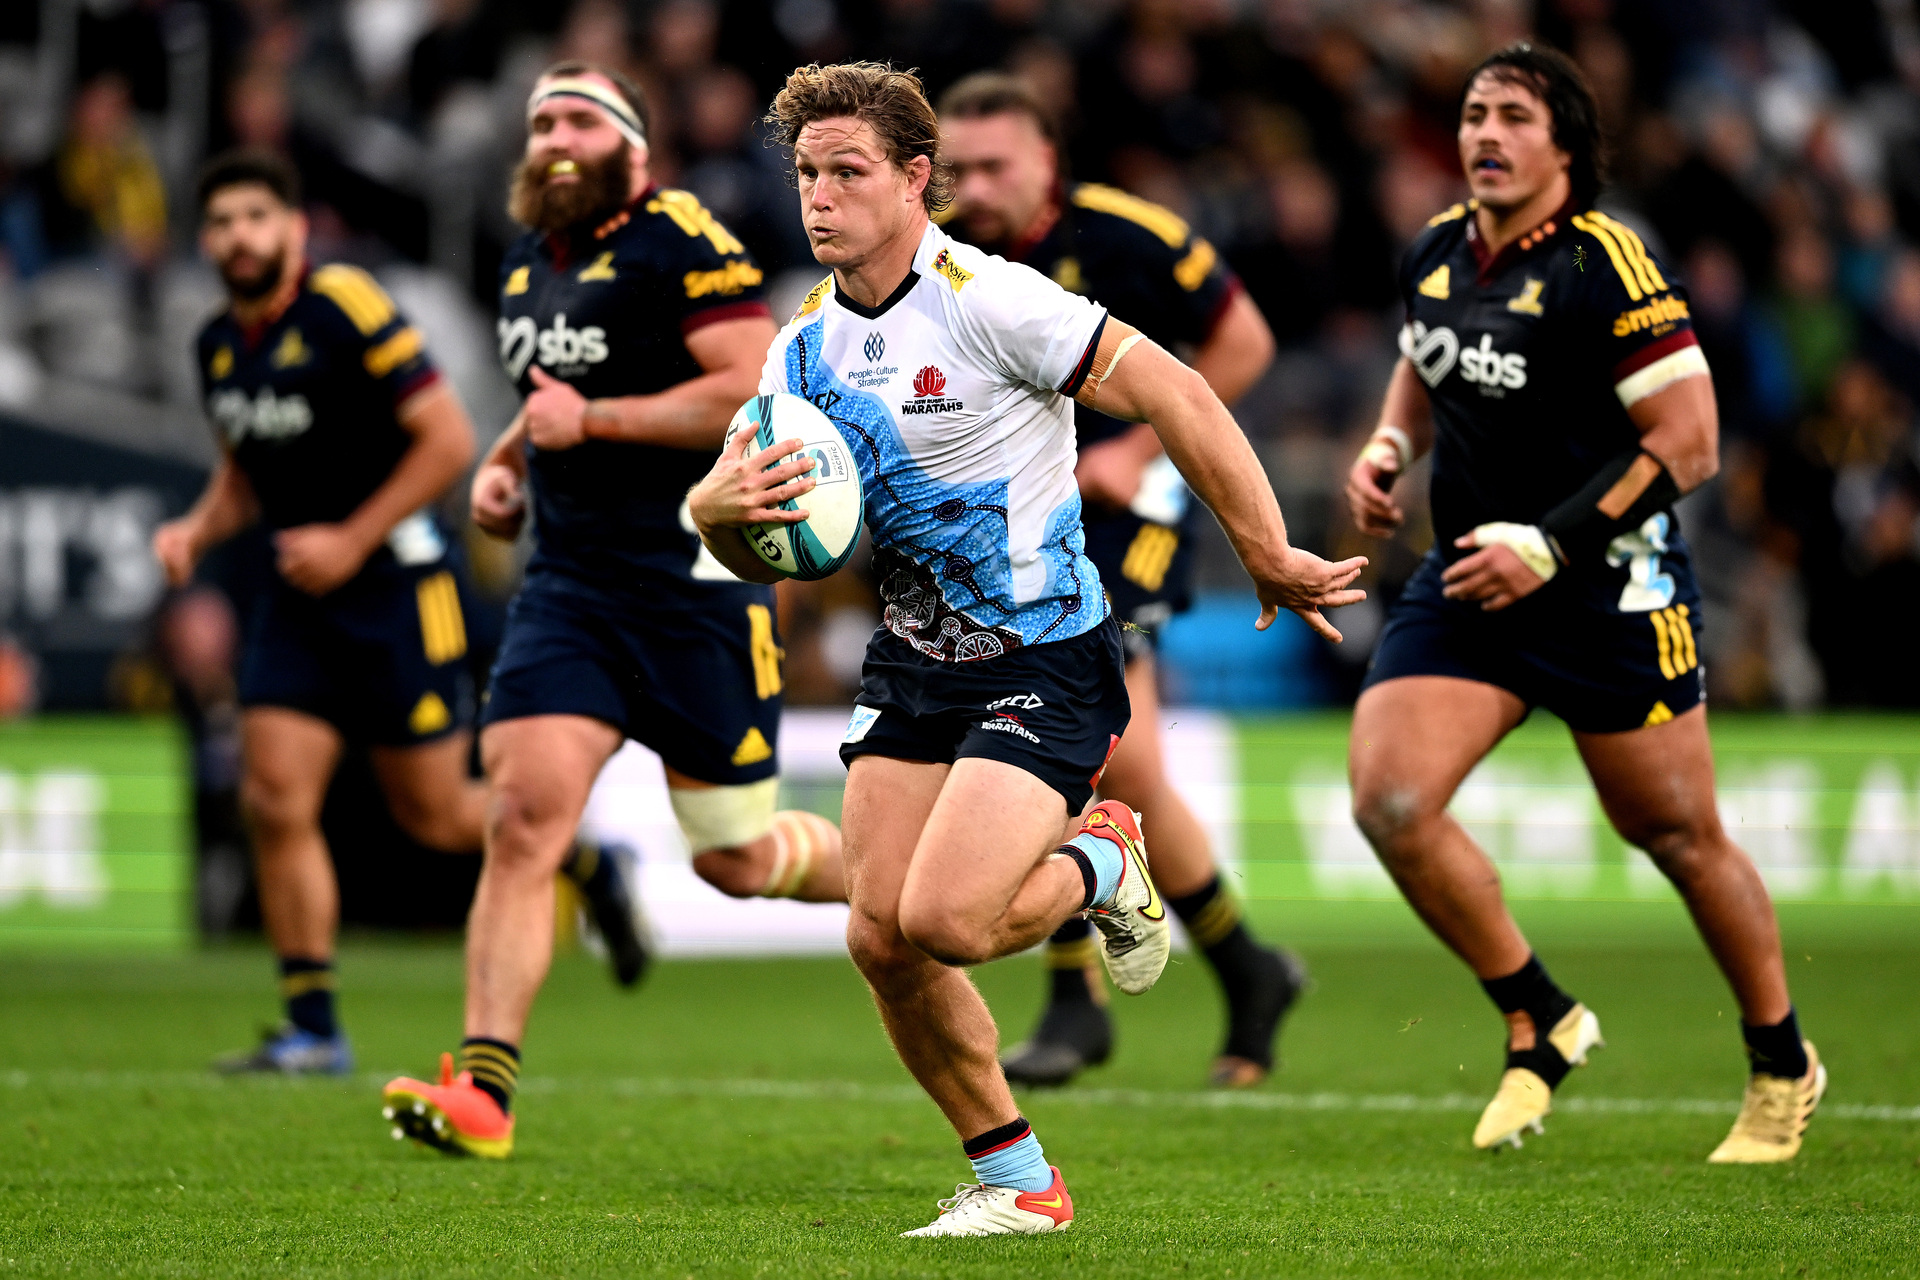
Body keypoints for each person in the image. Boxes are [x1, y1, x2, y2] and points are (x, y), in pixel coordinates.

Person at [690, 61, 1364, 1236]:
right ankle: (1018, 1180)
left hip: (1042, 654)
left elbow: (1183, 391)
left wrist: (1263, 547)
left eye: (848, 171)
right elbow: (764, 550)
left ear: (915, 179)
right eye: (806, 173)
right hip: (912, 661)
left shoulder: (992, 298)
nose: (821, 196)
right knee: (878, 934)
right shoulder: (797, 352)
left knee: (947, 921)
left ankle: (1102, 861)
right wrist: (717, 515)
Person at [1343, 43, 1824, 1162]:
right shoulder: (1434, 250)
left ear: (1566, 145)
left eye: (1514, 115)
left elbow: (1691, 441)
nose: (1485, 134)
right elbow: (1425, 362)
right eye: (1472, 113)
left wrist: (1552, 548)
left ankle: (1781, 1059)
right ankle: (1538, 1013)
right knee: (1390, 801)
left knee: (1673, 830)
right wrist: (1385, 444)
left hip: (1607, 582)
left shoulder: (1608, 264)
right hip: (1471, 574)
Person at [380, 62, 847, 1159]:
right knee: (521, 816)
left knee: (732, 855)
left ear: (635, 150)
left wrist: (588, 426)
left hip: (698, 582)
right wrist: (505, 458)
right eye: (541, 118)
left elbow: (744, 387)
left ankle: (923, 884)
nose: (555, 135)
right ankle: (485, 1091)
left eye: (582, 118)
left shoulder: (679, 234)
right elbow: (549, 401)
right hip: (571, 589)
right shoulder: (520, 264)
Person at [154, 150, 640, 1075]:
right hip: (299, 601)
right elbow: (243, 475)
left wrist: (348, 537)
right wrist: (195, 527)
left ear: (293, 228)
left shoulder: (346, 304)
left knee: (435, 814)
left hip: (396, 589)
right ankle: (313, 1027)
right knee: (273, 797)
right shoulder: (219, 341)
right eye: (221, 222)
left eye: (256, 216)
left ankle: (584, 861)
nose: (237, 237)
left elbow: (449, 441)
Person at [938, 72, 1307, 1090]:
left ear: (1050, 160)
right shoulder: (944, 260)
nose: (972, 186)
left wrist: (1141, 447)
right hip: (1016, 529)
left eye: (994, 166)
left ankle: (1074, 999)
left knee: (1070, 733)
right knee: (1126, 766)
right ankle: (1247, 966)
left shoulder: (1129, 237)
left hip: (1123, 521)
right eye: (955, 168)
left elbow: (1245, 341)